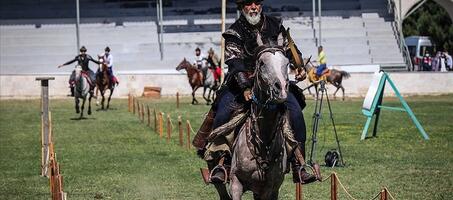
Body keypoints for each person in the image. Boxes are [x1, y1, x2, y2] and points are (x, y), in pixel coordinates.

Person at [195, 0, 315, 184]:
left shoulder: (276, 25)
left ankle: (299, 165)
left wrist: (299, 66)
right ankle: (223, 163)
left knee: (296, 113)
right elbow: (235, 62)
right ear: (242, 7)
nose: (253, 7)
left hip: (274, 84)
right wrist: (245, 87)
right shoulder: (234, 32)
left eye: (257, 3)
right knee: (223, 114)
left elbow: (289, 49)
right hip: (241, 83)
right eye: (249, 3)